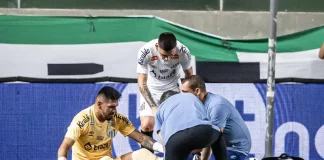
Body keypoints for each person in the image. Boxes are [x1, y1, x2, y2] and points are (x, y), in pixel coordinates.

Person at [57, 86, 164, 160]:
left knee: (143, 154)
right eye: (111, 107)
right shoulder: (82, 119)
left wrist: (163, 148)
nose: (115, 111)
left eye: (115, 107)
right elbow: (65, 146)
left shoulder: (116, 118)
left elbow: (142, 138)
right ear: (99, 104)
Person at [137, 32, 193, 145]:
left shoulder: (183, 51)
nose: (167, 59)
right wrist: (153, 107)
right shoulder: (145, 51)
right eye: (164, 56)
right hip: (151, 89)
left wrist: (186, 97)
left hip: (173, 88)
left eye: (170, 55)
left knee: (175, 127)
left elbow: (189, 77)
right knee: (147, 125)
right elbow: (141, 82)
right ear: (157, 46)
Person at [181, 75, 252, 160]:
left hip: (235, 148)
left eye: (185, 92)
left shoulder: (216, 106)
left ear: (197, 91)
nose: (181, 97)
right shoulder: (195, 105)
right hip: (215, 144)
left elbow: (213, 140)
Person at [155, 90, 227, 160]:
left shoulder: (160, 109)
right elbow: (205, 119)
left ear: (162, 102)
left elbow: (163, 139)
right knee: (218, 136)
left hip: (176, 140)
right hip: (202, 131)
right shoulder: (190, 96)